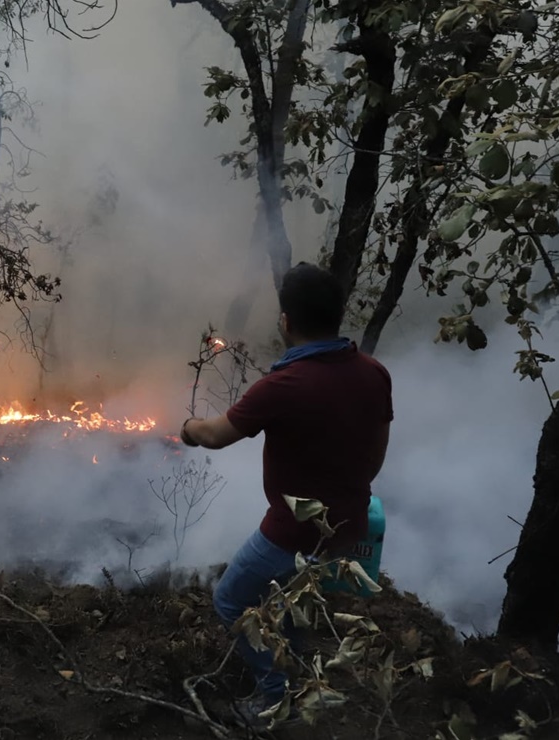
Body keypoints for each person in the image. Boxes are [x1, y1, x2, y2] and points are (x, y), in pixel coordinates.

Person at [179, 263, 392, 727]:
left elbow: (215, 436)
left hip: (292, 531)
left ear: (286, 321)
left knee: (231, 599)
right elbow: (377, 455)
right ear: (338, 316)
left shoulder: (283, 386)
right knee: (297, 605)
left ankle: (273, 699)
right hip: (347, 524)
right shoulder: (374, 373)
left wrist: (187, 429)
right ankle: (299, 684)